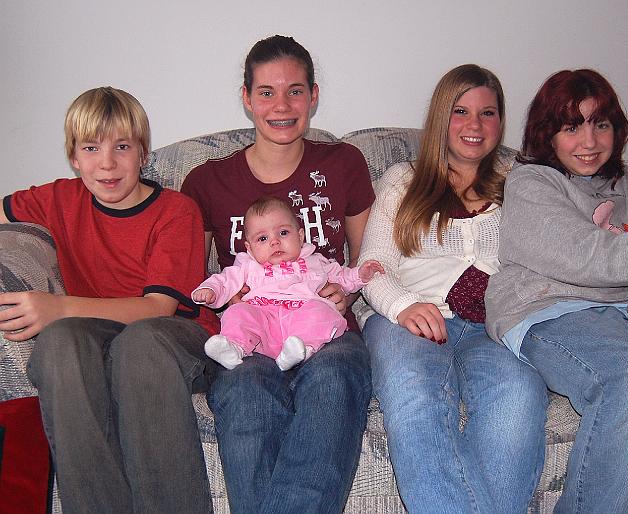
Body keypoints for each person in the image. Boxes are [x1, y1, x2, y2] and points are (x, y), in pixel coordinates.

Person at [485, 69, 628, 513]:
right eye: (572, 127)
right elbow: (592, 257)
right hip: (548, 309)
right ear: (548, 134)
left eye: (601, 124)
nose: (589, 141)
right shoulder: (532, 182)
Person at [0, 87, 219, 513]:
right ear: (74, 157)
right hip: (97, 335)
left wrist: (57, 306)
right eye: (91, 148)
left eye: (122, 146)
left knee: (138, 344)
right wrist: (58, 318)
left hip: (178, 341)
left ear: (143, 154)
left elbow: (159, 308)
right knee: (59, 343)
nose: (107, 162)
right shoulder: (61, 198)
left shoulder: (176, 211)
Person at [180, 35, 375, 512]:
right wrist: (222, 297)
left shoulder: (344, 163)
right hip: (253, 328)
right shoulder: (208, 181)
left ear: (314, 95)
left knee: (333, 379)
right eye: (266, 91)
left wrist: (348, 294)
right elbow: (194, 279)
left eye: (295, 90)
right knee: (246, 390)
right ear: (246, 98)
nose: (281, 105)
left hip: (324, 327)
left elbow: (368, 256)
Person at [358, 64, 548, 514]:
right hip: (406, 319)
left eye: (488, 112)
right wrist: (402, 305)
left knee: (519, 395)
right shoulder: (403, 180)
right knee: (416, 397)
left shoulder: (521, 184)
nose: (475, 125)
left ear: (501, 123)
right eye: (460, 111)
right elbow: (370, 267)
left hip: (493, 324)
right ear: (441, 117)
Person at [193, 196, 384, 371]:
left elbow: (343, 277)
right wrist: (211, 290)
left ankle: (303, 349)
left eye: (283, 233)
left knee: (321, 311)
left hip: (302, 316)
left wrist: (361, 274)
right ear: (249, 247)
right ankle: (234, 347)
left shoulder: (315, 260)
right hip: (263, 320)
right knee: (237, 312)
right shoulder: (247, 265)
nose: (275, 242)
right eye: (263, 238)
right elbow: (224, 280)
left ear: (300, 236)